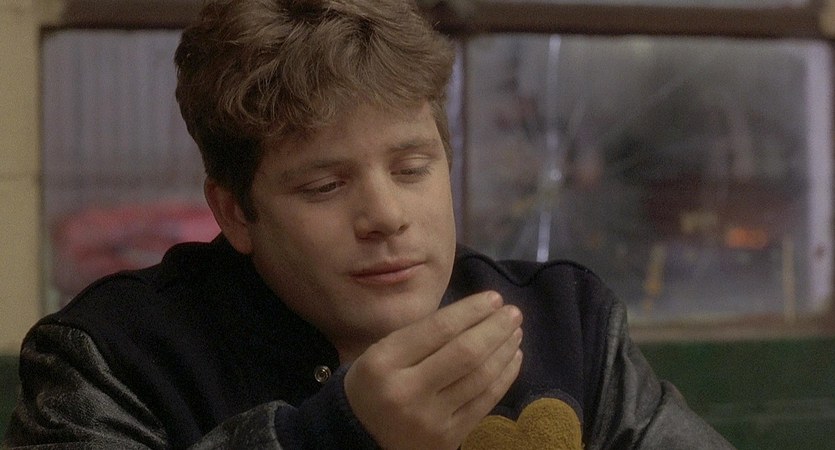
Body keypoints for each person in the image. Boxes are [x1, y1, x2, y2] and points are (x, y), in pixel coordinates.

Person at [4, 0, 734, 448]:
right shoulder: (113, 359)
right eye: (324, 186)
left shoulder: (565, 324)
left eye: (412, 168)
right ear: (233, 212)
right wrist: (337, 437)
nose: (385, 216)